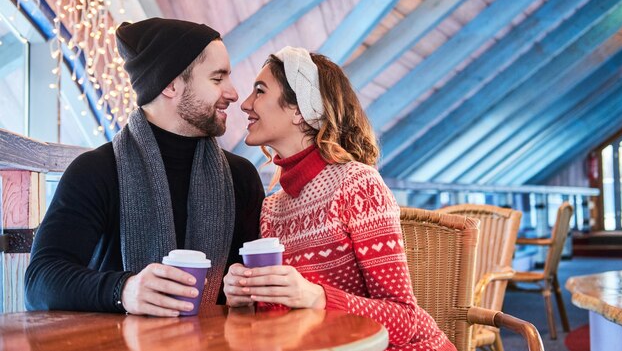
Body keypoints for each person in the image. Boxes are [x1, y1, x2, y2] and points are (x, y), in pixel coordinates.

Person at [25, 18, 264, 317]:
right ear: (170, 85)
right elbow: (40, 281)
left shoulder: (240, 177)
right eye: (217, 79)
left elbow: (254, 286)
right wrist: (124, 290)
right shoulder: (97, 170)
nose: (233, 93)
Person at [223, 47, 456, 350]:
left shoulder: (357, 185)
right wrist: (242, 298)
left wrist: (316, 296)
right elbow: (286, 318)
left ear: (299, 110)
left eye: (260, 91)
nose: (245, 104)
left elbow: (404, 320)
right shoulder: (272, 208)